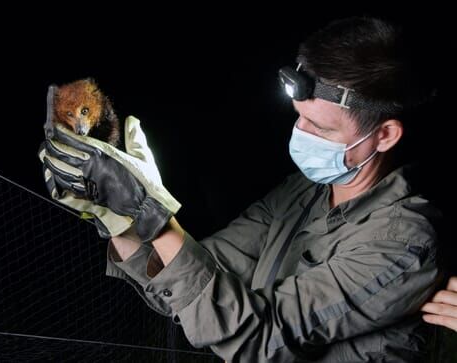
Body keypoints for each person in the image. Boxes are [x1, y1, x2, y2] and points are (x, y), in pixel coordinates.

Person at [39, 17, 448, 362]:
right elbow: (191, 296)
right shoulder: (301, 194)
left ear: (385, 136)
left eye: (321, 128)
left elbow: (256, 337)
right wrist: (119, 219)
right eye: (298, 118)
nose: (300, 134)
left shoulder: (403, 242)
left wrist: (153, 213)